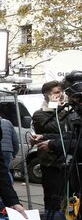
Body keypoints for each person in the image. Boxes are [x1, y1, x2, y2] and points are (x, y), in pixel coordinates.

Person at [30, 80, 74, 211]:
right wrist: (57, 108)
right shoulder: (40, 114)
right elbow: (57, 128)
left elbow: (70, 133)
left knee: (70, 199)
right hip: (51, 163)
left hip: (67, 161)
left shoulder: (67, 112)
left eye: (61, 92)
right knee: (52, 198)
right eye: (56, 92)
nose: (60, 95)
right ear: (47, 95)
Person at [0, 115, 19, 184]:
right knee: (6, 170)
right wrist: (15, 152)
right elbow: (15, 139)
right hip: (8, 151)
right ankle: (10, 189)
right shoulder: (8, 122)